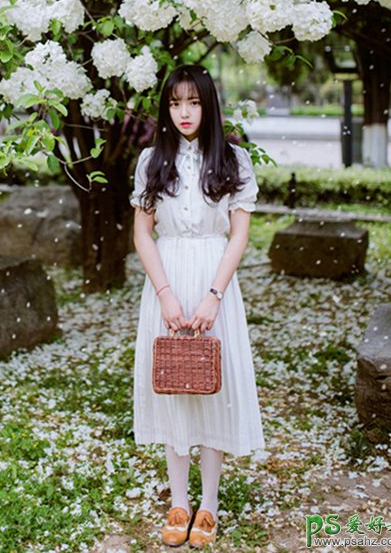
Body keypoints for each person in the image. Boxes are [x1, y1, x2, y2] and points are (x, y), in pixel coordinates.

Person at [130, 64, 264, 548]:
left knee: (210, 386)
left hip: (213, 278)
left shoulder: (234, 160)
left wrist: (214, 295)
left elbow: (239, 234)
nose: (183, 113)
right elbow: (143, 233)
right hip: (166, 280)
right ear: (166, 110)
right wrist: (165, 293)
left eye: (193, 103)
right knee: (173, 383)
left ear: (208, 105)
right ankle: (179, 500)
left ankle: (208, 504)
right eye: (174, 104)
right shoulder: (151, 161)